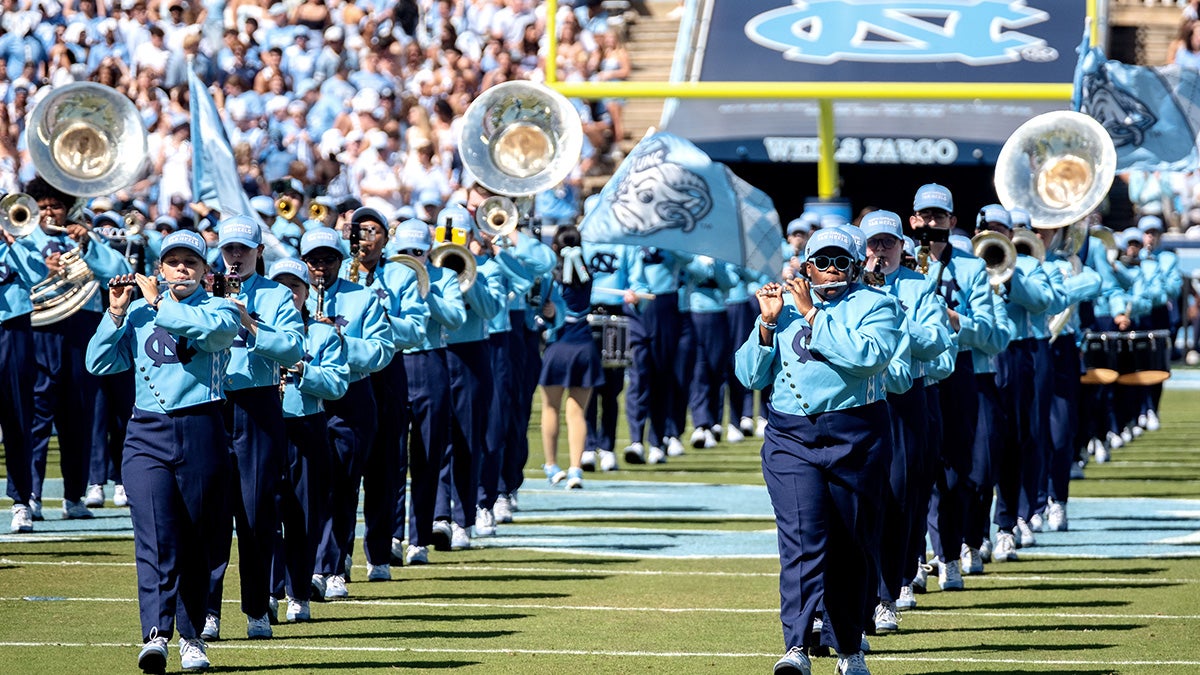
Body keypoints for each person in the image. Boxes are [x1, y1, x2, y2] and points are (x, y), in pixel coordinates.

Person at [736, 227, 902, 675]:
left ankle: (848, 646)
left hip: (857, 436)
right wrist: (767, 324)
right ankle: (796, 647)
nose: (830, 270)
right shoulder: (782, 306)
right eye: (821, 261)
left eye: (840, 262)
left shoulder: (878, 305)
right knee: (802, 540)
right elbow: (750, 376)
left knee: (852, 545)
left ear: (855, 267)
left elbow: (869, 356)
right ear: (806, 265)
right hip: (791, 439)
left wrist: (811, 315)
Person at [85, 230, 241, 674]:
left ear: (206, 271)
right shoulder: (136, 312)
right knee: (155, 536)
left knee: (197, 537)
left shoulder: (221, 309)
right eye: (173, 262)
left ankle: (193, 638)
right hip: (146, 435)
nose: (181, 269)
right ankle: (155, 634)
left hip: (202, 429)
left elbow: (209, 336)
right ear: (159, 269)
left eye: (191, 262)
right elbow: (98, 363)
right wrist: (114, 313)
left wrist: (158, 305)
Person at [204, 215, 304, 641]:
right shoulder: (203, 291)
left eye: (244, 249)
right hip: (210, 403)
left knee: (257, 512)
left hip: (259, 404)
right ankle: (206, 610)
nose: (236, 257)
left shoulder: (278, 295)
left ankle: (257, 607)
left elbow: (294, 347)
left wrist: (249, 323)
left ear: (259, 252)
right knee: (207, 513)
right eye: (229, 249)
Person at [859, 210, 953, 632]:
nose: (880, 250)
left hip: (905, 395)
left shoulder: (919, 285)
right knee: (861, 500)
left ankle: (888, 592)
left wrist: (894, 322)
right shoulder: (847, 284)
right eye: (873, 243)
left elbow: (938, 340)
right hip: (860, 399)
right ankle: (859, 595)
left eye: (888, 242)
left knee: (901, 497)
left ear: (901, 245)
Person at [24, 176, 132, 521]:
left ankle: (74, 496)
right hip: (41, 333)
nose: (50, 213)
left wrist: (88, 245)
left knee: (79, 416)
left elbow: (121, 272)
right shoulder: (26, 241)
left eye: (56, 206)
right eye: (42, 207)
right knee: (37, 417)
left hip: (81, 331)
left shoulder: (85, 238)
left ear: (68, 207)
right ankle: (30, 496)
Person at [301, 227, 395, 599]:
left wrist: (339, 340)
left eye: (328, 259)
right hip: (304, 393)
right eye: (314, 260)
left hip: (351, 393)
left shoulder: (362, 298)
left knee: (343, 483)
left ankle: (333, 565)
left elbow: (381, 351)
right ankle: (306, 563)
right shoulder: (290, 292)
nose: (320, 267)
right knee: (306, 485)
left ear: (341, 261)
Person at [340, 207, 428, 581]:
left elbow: (417, 329)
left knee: (385, 466)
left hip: (387, 372)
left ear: (386, 238)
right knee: (341, 467)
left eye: (373, 231)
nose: (365, 239)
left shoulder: (401, 275)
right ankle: (336, 554)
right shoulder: (340, 271)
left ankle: (379, 553)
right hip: (345, 372)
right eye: (359, 231)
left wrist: (376, 313)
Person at [268, 257, 349, 624]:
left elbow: (336, 384)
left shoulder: (322, 333)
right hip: (267, 426)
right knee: (263, 515)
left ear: (306, 292)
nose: (288, 294)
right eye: (280, 287)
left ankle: (298, 591)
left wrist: (302, 369)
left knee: (304, 515)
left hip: (308, 425)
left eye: (295, 288)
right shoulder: (257, 329)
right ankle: (267, 590)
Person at [539, 225, 604, 490]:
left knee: (550, 408)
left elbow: (543, 310)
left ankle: (552, 465)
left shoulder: (550, 276)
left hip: (558, 347)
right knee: (577, 413)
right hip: (584, 347)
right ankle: (576, 468)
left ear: (555, 247)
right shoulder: (587, 275)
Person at [1, 212, 48, 533]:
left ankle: (21, 501)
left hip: (13, 331)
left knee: (18, 418)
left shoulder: (19, 241)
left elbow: (37, 275)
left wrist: (13, 241)